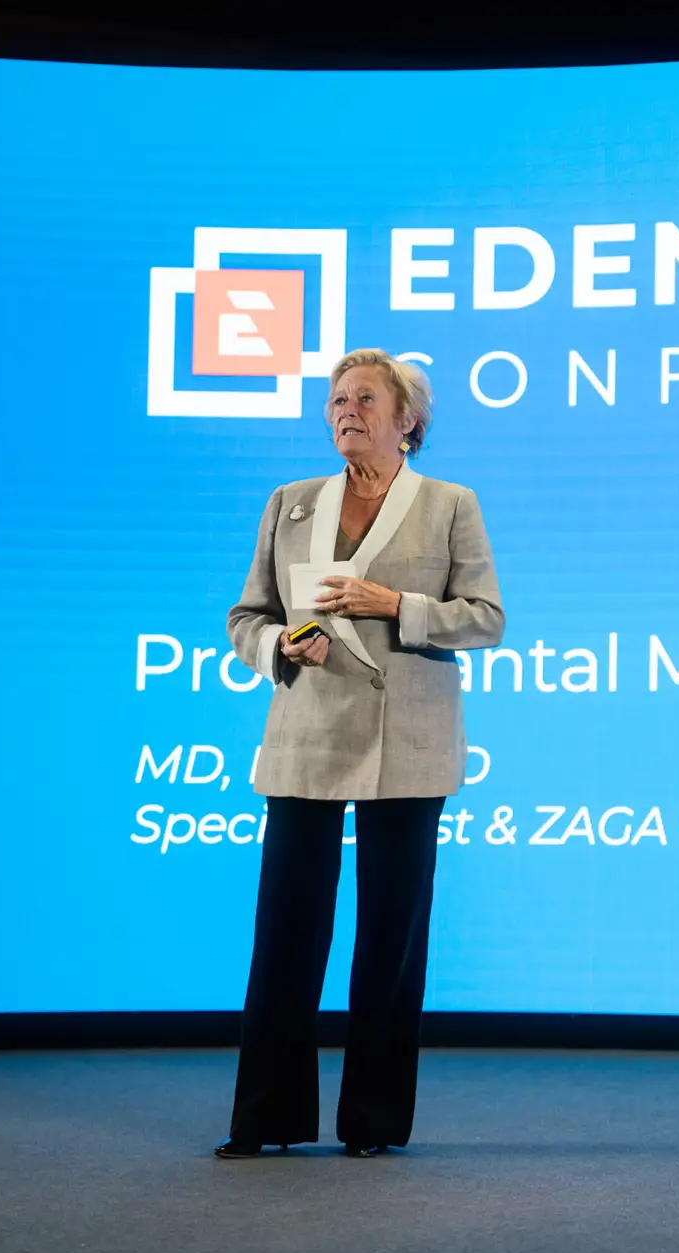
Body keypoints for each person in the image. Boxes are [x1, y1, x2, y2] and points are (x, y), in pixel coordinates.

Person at [215, 348, 504, 1159]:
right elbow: (245, 617)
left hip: (406, 740)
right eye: (338, 399)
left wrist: (396, 605)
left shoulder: (449, 504)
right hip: (308, 731)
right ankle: (267, 1119)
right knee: (286, 932)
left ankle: (372, 1124)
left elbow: (485, 617)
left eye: (366, 399)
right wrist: (278, 645)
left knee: (390, 937)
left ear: (407, 420)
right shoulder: (291, 503)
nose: (347, 410)